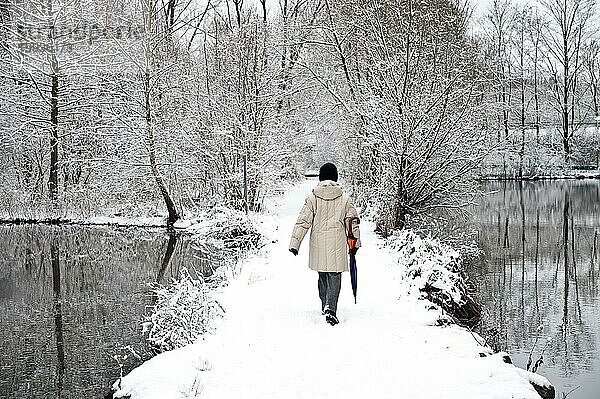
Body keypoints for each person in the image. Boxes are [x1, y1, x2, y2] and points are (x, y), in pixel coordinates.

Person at [289, 163, 361, 326]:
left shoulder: (313, 197)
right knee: (335, 275)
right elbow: (352, 223)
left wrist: (295, 243)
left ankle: (325, 305)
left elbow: (303, 221)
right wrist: (355, 243)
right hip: (337, 242)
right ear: (335, 177)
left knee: (322, 274)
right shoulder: (344, 198)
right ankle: (331, 308)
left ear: (320, 177)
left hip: (319, 243)